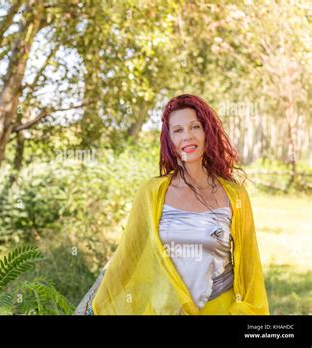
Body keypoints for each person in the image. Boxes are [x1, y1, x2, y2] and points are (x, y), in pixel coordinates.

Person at [89, 94, 269, 315]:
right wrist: (98, 308)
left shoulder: (235, 196)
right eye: (178, 130)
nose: (187, 136)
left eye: (195, 127)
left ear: (207, 133)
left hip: (219, 309)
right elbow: (127, 257)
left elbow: (250, 268)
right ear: (169, 141)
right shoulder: (152, 193)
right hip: (164, 310)